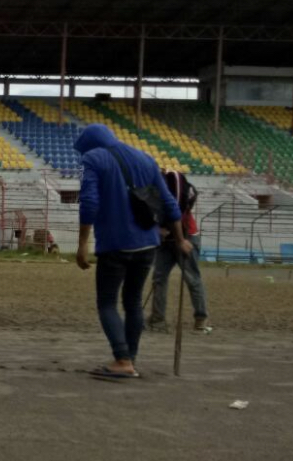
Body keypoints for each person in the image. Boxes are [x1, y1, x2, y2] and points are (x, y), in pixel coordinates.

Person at [74, 123, 188, 379]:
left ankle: (122, 359)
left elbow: (90, 201)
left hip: (115, 244)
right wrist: (180, 239)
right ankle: (130, 359)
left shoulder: (93, 159)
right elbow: (169, 203)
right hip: (148, 243)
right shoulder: (145, 158)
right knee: (133, 302)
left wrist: (83, 243)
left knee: (107, 303)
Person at [148, 170, 211, 332]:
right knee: (158, 278)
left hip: (187, 236)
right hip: (166, 241)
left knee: (192, 277)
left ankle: (201, 318)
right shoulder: (150, 191)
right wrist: (158, 230)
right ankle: (157, 319)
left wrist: (175, 235)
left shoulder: (174, 185)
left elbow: (176, 211)